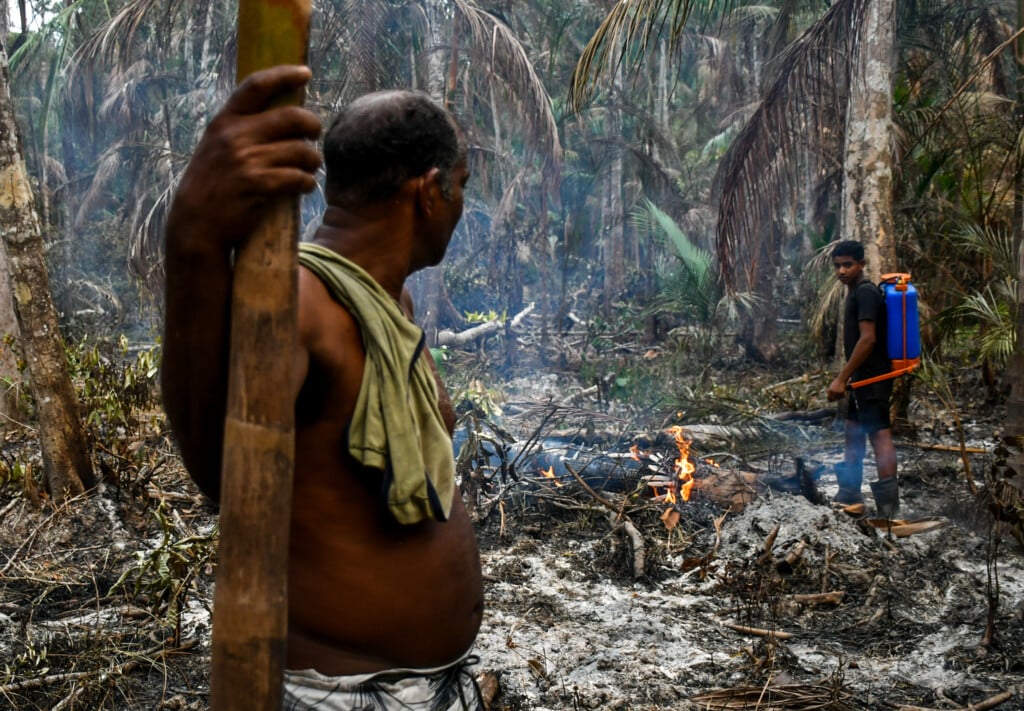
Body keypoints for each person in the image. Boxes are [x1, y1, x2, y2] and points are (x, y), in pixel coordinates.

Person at [161, 65, 485, 710]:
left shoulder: (392, 304)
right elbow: (222, 475)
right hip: (341, 693)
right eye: (461, 187)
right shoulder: (301, 301)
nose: (460, 205)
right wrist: (192, 242)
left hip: (428, 684)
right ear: (429, 191)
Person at [827, 240, 899, 518]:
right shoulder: (855, 291)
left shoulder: (866, 292)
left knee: (879, 436)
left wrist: (841, 378)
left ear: (861, 265)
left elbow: (868, 340)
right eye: (838, 265)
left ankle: (889, 510)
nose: (842, 271)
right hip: (861, 378)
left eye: (848, 264)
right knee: (852, 432)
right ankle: (849, 493)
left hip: (873, 378)